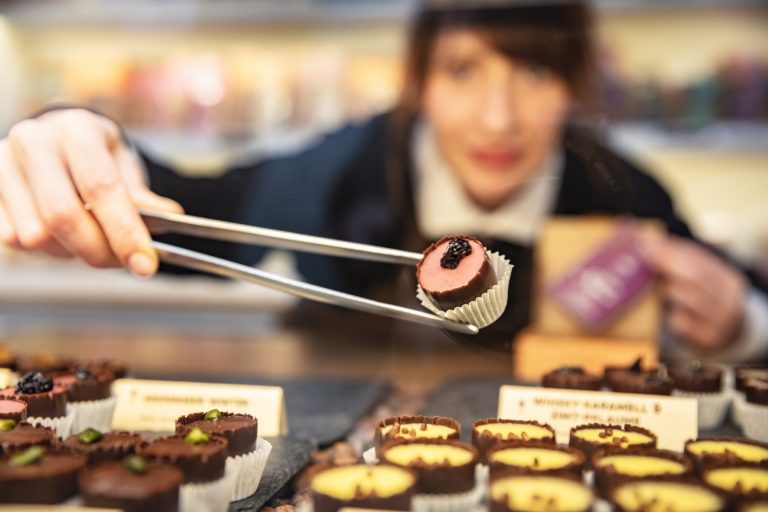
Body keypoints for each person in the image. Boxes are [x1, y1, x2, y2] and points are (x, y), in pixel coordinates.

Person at [0, 1, 765, 360]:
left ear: (574, 87)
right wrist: (82, 142)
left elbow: (739, 291)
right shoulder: (342, 170)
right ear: (419, 84)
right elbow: (190, 210)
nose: (498, 119)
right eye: (464, 71)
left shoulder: (620, 191)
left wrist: (739, 326)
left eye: (534, 71)